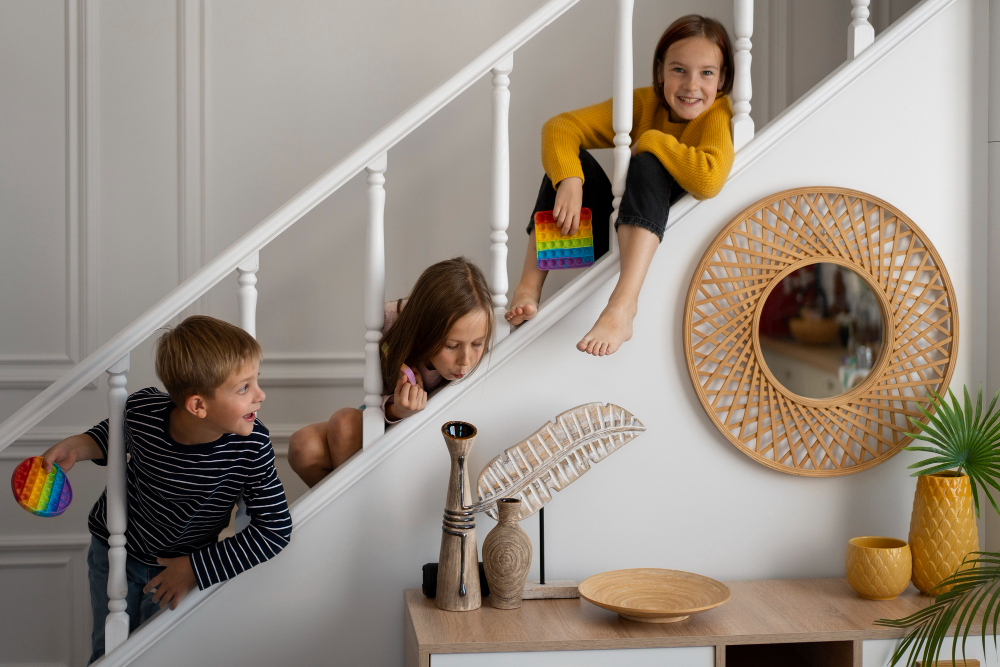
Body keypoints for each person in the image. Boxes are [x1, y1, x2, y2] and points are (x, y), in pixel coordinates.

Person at [40, 315, 292, 664]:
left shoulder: (252, 446)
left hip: (179, 567)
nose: (260, 395)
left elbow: (274, 529)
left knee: (158, 656)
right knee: (108, 651)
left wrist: (195, 568)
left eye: (256, 381)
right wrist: (77, 448)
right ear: (198, 406)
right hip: (115, 552)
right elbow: (111, 437)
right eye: (244, 388)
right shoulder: (144, 410)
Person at [505, 14, 736, 356]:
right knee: (574, 161)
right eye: (678, 70)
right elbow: (560, 126)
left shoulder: (718, 113)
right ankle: (529, 285)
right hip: (609, 233)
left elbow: (709, 179)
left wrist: (652, 140)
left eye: (706, 73)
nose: (691, 85)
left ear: (722, 79)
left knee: (646, 163)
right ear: (660, 72)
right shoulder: (644, 103)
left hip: (660, 241)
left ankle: (624, 304)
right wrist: (570, 179)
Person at [288, 257, 494, 487]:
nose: (465, 360)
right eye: (451, 346)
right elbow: (381, 392)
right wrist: (397, 409)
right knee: (303, 445)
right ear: (425, 332)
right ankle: (348, 511)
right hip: (387, 418)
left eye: (477, 343)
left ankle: (353, 512)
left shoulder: (483, 330)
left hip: (419, 443)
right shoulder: (393, 327)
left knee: (343, 424)